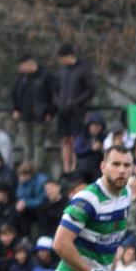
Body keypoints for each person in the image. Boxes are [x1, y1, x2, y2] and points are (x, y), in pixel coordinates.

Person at [53, 44, 96, 175]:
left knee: (75, 139)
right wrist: (58, 102)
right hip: (62, 110)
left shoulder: (84, 69)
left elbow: (91, 89)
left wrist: (77, 102)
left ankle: (75, 167)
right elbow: (56, 88)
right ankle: (66, 168)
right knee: (64, 140)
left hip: (77, 111)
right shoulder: (61, 70)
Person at [10, 54, 56, 167]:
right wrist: (16, 108)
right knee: (26, 143)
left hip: (40, 116)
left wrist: (50, 112)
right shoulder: (22, 78)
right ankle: (27, 167)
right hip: (24, 116)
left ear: (29, 64)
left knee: (38, 143)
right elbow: (14, 93)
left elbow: (54, 96)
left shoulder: (46, 76)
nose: (21, 69)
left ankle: (36, 168)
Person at [73, 114, 108, 181]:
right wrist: (91, 149)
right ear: (89, 126)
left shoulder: (105, 137)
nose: (96, 128)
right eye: (94, 125)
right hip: (83, 168)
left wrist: (102, 149)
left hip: (98, 169)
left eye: (99, 126)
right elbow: (78, 150)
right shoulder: (82, 137)